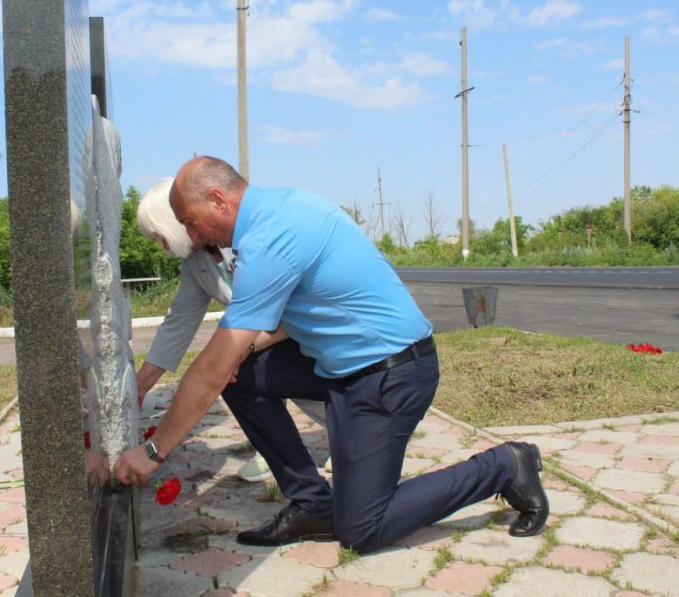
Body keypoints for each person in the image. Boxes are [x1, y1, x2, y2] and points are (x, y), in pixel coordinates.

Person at [114, 157, 548, 554]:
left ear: (217, 199)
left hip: (390, 373)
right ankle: (313, 504)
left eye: (191, 223)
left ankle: (505, 465)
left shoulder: (272, 237)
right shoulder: (276, 211)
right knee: (241, 376)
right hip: (341, 366)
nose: (193, 237)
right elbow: (220, 353)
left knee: (362, 529)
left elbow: (211, 369)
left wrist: (153, 452)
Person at [134, 177, 329, 482]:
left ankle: (352, 434)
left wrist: (239, 350)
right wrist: (141, 385)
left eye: (161, 236)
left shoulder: (251, 241)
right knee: (240, 372)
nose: (163, 247)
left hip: (310, 332)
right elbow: (179, 322)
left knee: (246, 365)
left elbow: (290, 312)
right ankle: (277, 449)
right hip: (265, 336)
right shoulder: (195, 265)